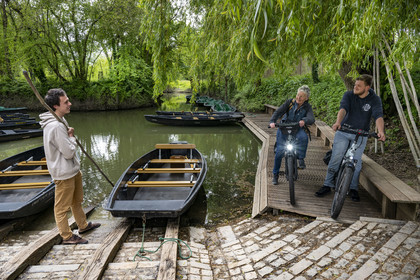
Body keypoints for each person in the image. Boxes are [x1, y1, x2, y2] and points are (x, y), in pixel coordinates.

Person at [40, 88, 101, 244]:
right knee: (61, 208)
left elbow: (65, 144)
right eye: (65, 102)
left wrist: (69, 136)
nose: (69, 103)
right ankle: (67, 236)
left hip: (72, 170)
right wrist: (72, 138)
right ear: (55, 106)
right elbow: (68, 152)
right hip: (64, 173)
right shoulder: (55, 126)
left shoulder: (60, 120)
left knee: (77, 201)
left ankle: (83, 226)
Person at [315, 74, 386, 201]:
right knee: (336, 157)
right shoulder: (349, 95)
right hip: (344, 131)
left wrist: (380, 131)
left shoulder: (374, 99)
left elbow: (378, 115)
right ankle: (327, 184)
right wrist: (338, 122)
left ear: (367, 87)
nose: (355, 87)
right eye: (355, 85)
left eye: (359, 86)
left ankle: (353, 188)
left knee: (356, 162)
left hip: (361, 134)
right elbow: (343, 109)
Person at [269, 85, 315, 185]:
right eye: (298, 95)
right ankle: (275, 175)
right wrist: (272, 121)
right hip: (284, 127)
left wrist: (304, 120)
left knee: (303, 138)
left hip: (297, 128)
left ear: (306, 98)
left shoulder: (307, 107)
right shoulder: (290, 102)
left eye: (301, 96)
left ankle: (301, 158)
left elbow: (311, 118)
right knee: (279, 153)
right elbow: (278, 112)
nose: (298, 97)